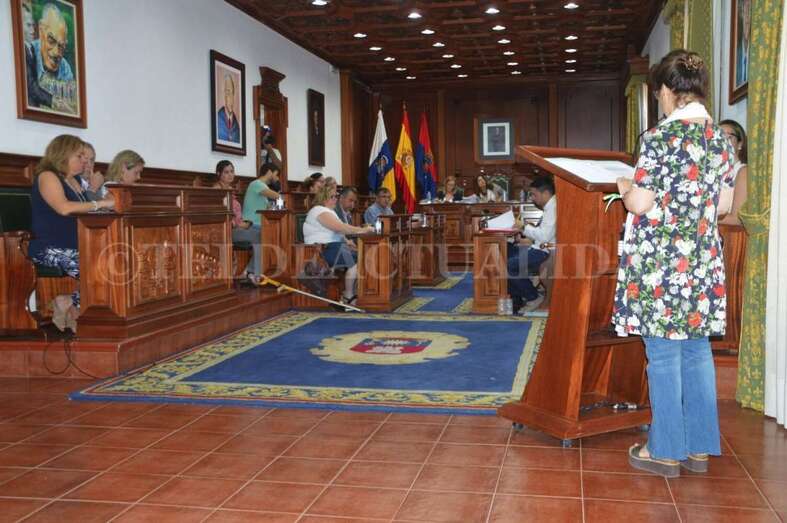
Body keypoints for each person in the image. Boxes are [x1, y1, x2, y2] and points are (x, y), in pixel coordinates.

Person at [613, 50, 735, 478]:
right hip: (702, 262)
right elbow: (723, 206)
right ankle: (699, 447)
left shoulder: (659, 138)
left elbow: (640, 203)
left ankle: (664, 449)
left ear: (666, 90)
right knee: (697, 352)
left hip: (662, 265)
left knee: (663, 355)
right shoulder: (719, 139)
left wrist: (624, 184)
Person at [29, 135, 115, 332]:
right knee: (99, 269)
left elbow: (92, 205)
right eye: (80, 156)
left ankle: (68, 302)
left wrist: (106, 195)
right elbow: (64, 208)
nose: (84, 161)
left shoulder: (75, 180)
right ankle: (74, 308)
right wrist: (100, 204)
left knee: (115, 263)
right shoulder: (48, 176)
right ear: (63, 154)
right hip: (49, 248)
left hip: (76, 246)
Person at [303, 186, 373, 306]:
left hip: (333, 246)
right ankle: (348, 295)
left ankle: (353, 292)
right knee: (359, 258)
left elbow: (337, 232)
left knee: (363, 255)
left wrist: (347, 241)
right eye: (333, 197)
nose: (336, 199)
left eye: (336, 196)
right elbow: (340, 227)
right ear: (323, 198)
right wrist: (362, 230)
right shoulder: (319, 210)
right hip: (320, 250)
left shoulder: (330, 212)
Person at [507, 176, 556, 314]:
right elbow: (544, 235)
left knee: (510, 265)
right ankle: (518, 297)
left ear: (545, 193)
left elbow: (545, 237)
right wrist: (525, 239)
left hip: (547, 250)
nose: (532, 198)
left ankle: (532, 297)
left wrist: (523, 227)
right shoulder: (551, 206)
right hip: (542, 246)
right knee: (508, 252)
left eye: (534, 194)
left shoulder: (553, 208)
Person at [214, 160, 260, 284]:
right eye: (226, 172)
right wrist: (238, 224)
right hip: (227, 231)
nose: (230, 175)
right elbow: (220, 216)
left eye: (232, 171)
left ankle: (251, 271)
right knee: (258, 235)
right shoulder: (216, 191)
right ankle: (252, 273)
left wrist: (244, 223)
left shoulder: (230, 190)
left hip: (239, 226)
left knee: (264, 230)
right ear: (219, 174)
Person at [21, 0, 52, 107]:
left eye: (33, 25)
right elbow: (31, 86)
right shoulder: (22, 52)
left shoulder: (32, 49)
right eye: (28, 25)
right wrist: (53, 101)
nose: (33, 30)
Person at [718, 119, 748, 226]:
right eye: (718, 136)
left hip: (727, 234)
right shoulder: (711, 173)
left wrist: (699, 218)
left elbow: (737, 219)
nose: (722, 141)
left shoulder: (743, 171)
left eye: (729, 137)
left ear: (740, 144)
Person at [242, 163, 280, 227]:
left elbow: (268, 208)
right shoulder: (257, 184)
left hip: (258, 225)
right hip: (252, 225)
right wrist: (278, 184)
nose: (277, 178)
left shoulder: (263, 187)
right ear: (269, 172)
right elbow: (277, 196)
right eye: (276, 175)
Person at [217, 74, 240, 143]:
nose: (230, 97)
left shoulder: (236, 125)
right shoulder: (218, 118)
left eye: (232, 92)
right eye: (227, 92)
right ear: (223, 95)